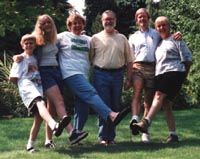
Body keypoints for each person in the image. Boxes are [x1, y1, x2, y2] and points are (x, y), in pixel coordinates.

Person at [13, 14, 88, 146]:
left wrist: (81, 34)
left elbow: (69, 40)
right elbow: (27, 48)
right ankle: (72, 133)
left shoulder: (55, 38)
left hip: (56, 71)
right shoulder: (36, 39)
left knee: (52, 107)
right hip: (44, 72)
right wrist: (18, 56)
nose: (46, 25)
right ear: (39, 26)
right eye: (43, 23)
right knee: (59, 100)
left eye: (48, 22)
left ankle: (48, 140)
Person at [57, 13, 129, 140]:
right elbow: (45, 40)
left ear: (83, 25)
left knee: (82, 106)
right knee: (90, 93)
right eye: (74, 23)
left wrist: (113, 33)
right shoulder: (63, 36)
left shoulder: (89, 39)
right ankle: (111, 115)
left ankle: (76, 135)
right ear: (69, 25)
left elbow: (104, 40)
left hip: (83, 74)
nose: (77, 25)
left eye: (80, 23)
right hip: (70, 73)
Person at [131, 16, 192, 143]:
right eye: (159, 26)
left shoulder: (177, 40)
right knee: (166, 105)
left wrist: (184, 76)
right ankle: (173, 135)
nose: (161, 28)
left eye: (164, 25)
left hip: (173, 72)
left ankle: (145, 122)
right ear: (156, 28)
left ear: (169, 26)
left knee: (158, 95)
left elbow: (187, 59)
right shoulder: (158, 43)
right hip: (161, 75)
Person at [9, 34, 70, 152]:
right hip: (28, 89)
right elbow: (12, 78)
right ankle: (54, 125)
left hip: (37, 89)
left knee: (38, 119)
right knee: (41, 103)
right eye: (26, 43)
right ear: (22, 45)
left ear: (35, 45)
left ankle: (30, 146)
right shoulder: (20, 59)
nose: (29, 45)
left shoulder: (36, 59)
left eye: (31, 42)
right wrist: (22, 86)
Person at [89, 10, 135, 145]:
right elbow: (91, 58)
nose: (108, 21)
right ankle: (103, 137)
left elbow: (130, 60)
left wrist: (129, 78)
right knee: (103, 105)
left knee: (115, 105)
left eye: (111, 19)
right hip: (100, 74)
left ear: (115, 21)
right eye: (106, 19)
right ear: (102, 21)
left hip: (118, 75)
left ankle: (111, 137)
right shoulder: (95, 38)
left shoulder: (122, 38)